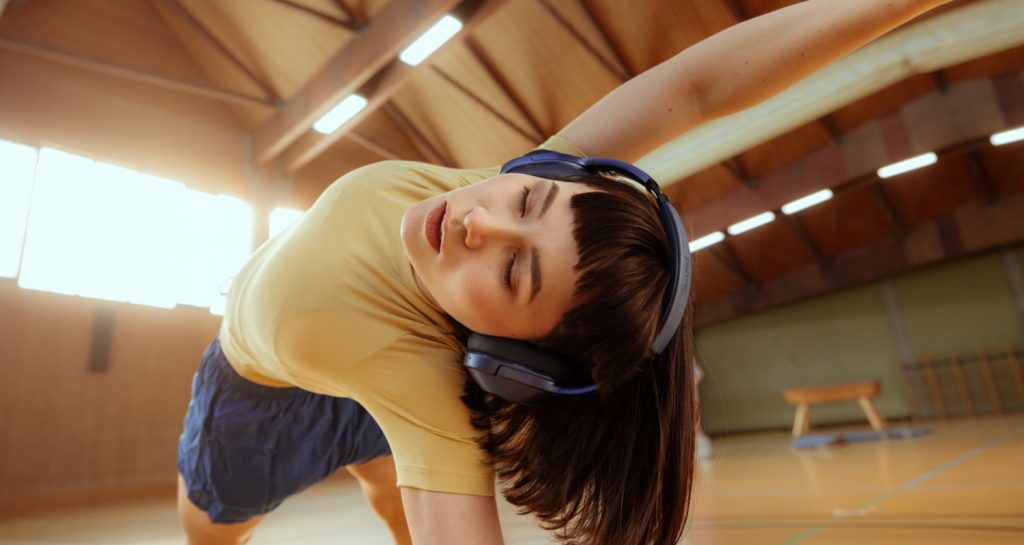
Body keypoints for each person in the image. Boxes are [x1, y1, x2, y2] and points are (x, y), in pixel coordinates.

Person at [175, 1, 952, 544]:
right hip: (296, 393)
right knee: (229, 531)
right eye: (527, 195)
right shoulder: (512, 190)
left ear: (511, 362)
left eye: (513, 271)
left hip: (255, 396)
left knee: (224, 523)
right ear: (544, 171)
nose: (480, 219)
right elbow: (697, 89)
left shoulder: (421, 392)